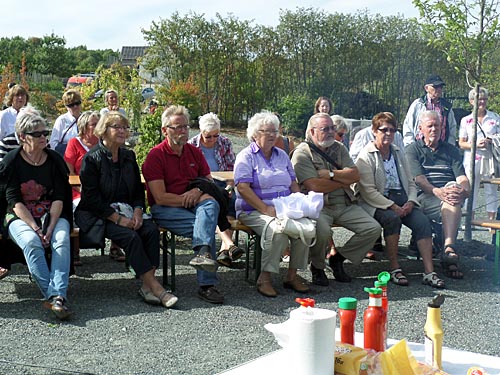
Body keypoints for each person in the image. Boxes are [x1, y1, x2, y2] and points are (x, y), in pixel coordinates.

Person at [77, 111, 178, 308]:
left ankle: (147, 285)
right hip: (99, 215)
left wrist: (139, 210)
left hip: (128, 212)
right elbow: (91, 199)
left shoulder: (128, 156)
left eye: (125, 127)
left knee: (149, 231)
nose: (122, 131)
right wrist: (117, 218)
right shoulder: (91, 159)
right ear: (103, 131)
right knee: (130, 237)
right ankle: (156, 288)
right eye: (117, 127)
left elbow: (137, 191)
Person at [142, 105, 224, 305]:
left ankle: (203, 255)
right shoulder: (155, 156)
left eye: (185, 127)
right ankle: (207, 285)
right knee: (207, 224)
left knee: (210, 205)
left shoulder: (194, 152)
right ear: (165, 130)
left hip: (193, 207)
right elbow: (160, 197)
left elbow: (208, 183)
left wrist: (197, 191)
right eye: (177, 127)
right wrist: (189, 198)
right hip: (166, 209)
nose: (182, 131)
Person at [356, 112, 445, 288]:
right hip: (378, 201)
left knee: (422, 222)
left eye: (392, 130)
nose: (389, 134)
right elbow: (368, 192)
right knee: (392, 219)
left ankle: (429, 271)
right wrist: (392, 206)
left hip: (401, 198)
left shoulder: (398, 153)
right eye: (384, 130)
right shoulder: (365, 156)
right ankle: (394, 267)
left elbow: (411, 182)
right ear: (374, 131)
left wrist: (411, 201)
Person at [291, 113, 381, 286]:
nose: (331, 132)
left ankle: (338, 258)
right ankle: (317, 267)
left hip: (345, 204)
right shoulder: (302, 153)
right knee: (323, 230)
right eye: (325, 129)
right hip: (319, 206)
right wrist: (341, 180)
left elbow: (355, 175)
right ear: (312, 131)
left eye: (332, 128)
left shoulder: (339, 148)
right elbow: (314, 186)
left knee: (373, 228)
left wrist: (330, 175)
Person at [0, 108, 74, 319]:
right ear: (23, 137)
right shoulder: (12, 162)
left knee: (60, 239)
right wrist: (35, 227)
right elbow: (13, 201)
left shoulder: (54, 161)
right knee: (32, 242)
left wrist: (49, 228)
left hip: (53, 213)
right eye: (38, 134)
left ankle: (55, 296)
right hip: (19, 215)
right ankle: (55, 297)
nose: (44, 137)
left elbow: (60, 196)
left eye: (46, 133)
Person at [234, 111, 310, 297]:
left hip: (284, 207)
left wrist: (301, 203)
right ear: (254, 134)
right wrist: (266, 209)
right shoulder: (246, 156)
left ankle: (291, 275)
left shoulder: (282, 155)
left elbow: (293, 183)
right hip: (253, 210)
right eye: (266, 131)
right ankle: (264, 278)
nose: (271, 135)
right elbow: (243, 188)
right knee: (277, 231)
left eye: (274, 131)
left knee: (306, 228)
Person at [406, 110, 470, 279]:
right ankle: (449, 251)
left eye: (437, 126)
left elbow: (462, 177)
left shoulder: (451, 150)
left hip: (447, 195)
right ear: (421, 128)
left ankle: (448, 247)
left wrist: (464, 191)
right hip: (424, 196)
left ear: (442, 128)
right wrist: (438, 191)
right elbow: (419, 179)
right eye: (430, 126)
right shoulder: (413, 150)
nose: (434, 129)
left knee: (454, 193)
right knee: (450, 197)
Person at [188, 112, 244, 267]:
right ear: (201, 133)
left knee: (233, 201)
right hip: (202, 187)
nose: (212, 140)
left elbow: (232, 168)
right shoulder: (191, 146)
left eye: (215, 136)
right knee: (216, 203)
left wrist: (230, 185)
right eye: (208, 137)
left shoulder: (225, 143)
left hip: (222, 183)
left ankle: (224, 249)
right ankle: (229, 245)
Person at [458, 87, 500, 221]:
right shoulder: (466, 120)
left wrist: (491, 140)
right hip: (472, 158)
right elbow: (461, 143)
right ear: (471, 101)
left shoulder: (495, 117)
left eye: (484, 99)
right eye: (479, 99)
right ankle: (469, 220)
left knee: (491, 189)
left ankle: (491, 222)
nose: (482, 102)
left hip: (489, 158)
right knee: (470, 189)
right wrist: (475, 144)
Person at [402, 74, 457, 147]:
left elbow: (452, 129)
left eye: (441, 87)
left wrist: (450, 147)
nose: (439, 89)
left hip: (441, 149)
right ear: (426, 88)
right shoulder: (418, 104)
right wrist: (410, 147)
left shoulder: (446, 107)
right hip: (420, 149)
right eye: (435, 87)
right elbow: (408, 126)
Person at [49, 90, 82, 155]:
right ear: (66, 106)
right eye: (71, 105)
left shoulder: (86, 118)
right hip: (66, 156)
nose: (75, 106)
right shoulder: (62, 120)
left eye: (77, 103)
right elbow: (53, 143)